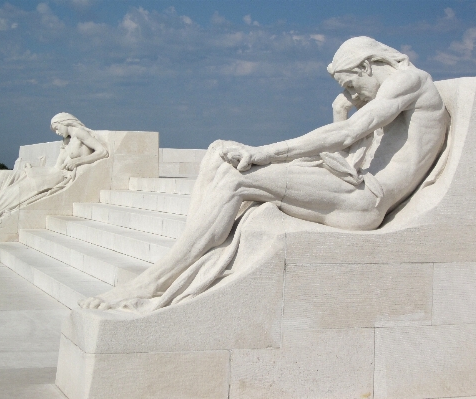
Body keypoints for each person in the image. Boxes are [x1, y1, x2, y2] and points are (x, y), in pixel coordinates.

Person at [80, 36, 449, 310]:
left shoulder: (409, 82)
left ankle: (154, 281)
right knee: (218, 153)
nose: (355, 96)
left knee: (238, 176)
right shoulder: (389, 95)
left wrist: (265, 153)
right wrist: (341, 111)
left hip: (364, 201)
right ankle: (185, 258)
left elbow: (353, 134)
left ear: (366, 66)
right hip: (348, 183)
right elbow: (352, 142)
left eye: (352, 85)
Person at [0, 113, 108, 233]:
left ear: (64, 122)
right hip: (54, 173)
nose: (57, 132)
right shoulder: (66, 141)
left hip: (62, 178)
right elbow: (55, 167)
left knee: (15, 190)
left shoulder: (80, 134)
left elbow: (102, 151)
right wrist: (33, 170)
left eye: (57, 128)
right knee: (2, 174)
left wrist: (78, 161)